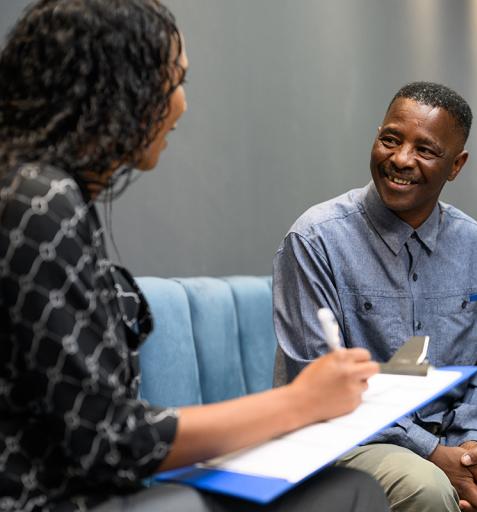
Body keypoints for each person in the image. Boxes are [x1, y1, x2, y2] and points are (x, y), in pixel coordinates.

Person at [0, 2, 389, 511]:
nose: (181, 104)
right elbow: (108, 442)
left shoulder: (32, 190)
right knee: (352, 491)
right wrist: (300, 401)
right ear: (113, 87)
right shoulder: (40, 200)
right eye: (173, 81)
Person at [273, 82, 477, 512]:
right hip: (350, 435)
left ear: (456, 165)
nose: (401, 159)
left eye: (425, 150)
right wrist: (430, 451)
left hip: (454, 430)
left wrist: (472, 443)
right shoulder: (315, 238)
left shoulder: (472, 242)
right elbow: (315, 381)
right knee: (427, 486)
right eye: (390, 139)